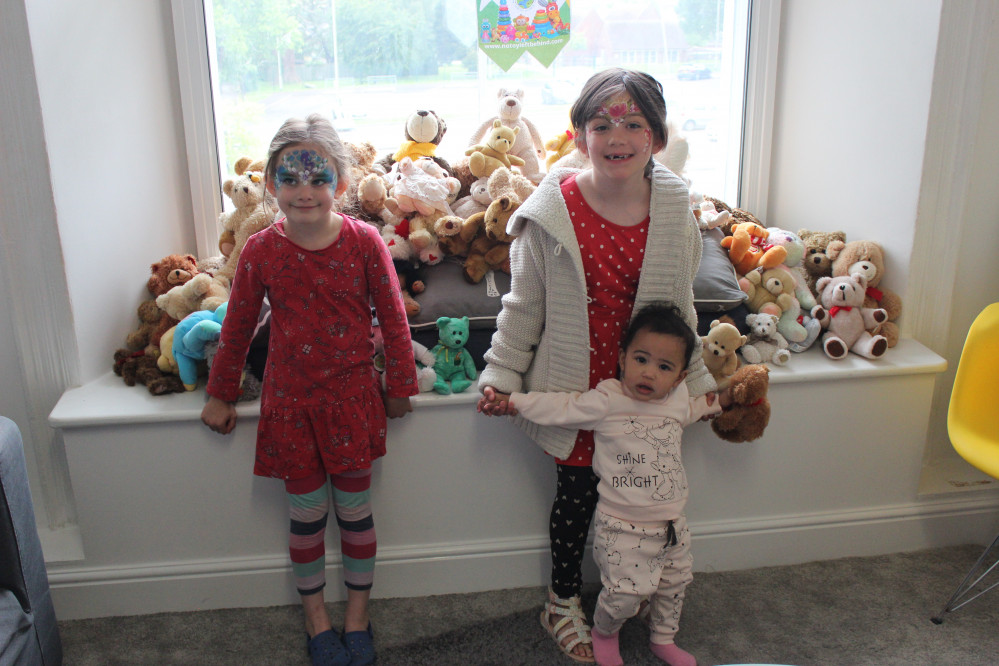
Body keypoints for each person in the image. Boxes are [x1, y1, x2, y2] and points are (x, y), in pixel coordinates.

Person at [477, 68, 715, 664]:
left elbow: (682, 307)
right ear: (578, 133)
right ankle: (563, 601)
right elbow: (523, 306)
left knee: (643, 495)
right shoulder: (550, 214)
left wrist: (702, 382)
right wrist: (502, 375)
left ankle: (638, 595)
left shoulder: (674, 213)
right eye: (602, 123)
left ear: (657, 138)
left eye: (634, 124)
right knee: (577, 497)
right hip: (575, 389)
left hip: (645, 389)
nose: (618, 135)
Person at [201, 113, 418, 666]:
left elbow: (394, 319)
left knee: (354, 512)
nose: (304, 192)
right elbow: (238, 325)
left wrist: (400, 382)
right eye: (290, 179)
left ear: (340, 185)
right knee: (306, 517)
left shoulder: (366, 243)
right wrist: (221, 392)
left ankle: (357, 617)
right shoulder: (260, 251)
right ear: (270, 182)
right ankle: (316, 620)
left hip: (352, 401)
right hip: (290, 405)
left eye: (318, 178)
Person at [481, 303, 729, 666]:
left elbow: (700, 407)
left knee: (674, 586)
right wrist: (513, 401)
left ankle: (663, 639)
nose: (649, 373)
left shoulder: (676, 401)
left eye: (663, 367)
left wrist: (730, 398)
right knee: (623, 594)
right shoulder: (608, 397)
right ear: (623, 357)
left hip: (673, 524)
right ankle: (604, 632)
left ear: (678, 378)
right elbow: (563, 407)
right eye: (641, 359)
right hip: (621, 526)